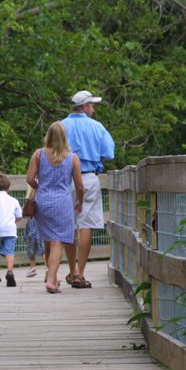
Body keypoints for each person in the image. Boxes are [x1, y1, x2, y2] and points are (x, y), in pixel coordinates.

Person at [61, 90, 115, 289]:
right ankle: (80, 273)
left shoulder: (60, 126)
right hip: (89, 178)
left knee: (68, 224)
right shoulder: (97, 127)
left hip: (65, 181)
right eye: (92, 105)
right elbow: (109, 153)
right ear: (84, 107)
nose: (93, 109)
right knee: (85, 225)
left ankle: (71, 270)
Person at [26, 122, 84, 294]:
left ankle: (53, 276)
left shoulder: (39, 154)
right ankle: (51, 280)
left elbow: (29, 179)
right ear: (64, 137)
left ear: (48, 136)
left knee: (49, 239)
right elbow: (80, 186)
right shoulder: (72, 158)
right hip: (63, 202)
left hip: (43, 202)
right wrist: (80, 202)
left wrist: (40, 185)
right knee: (58, 241)